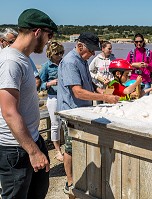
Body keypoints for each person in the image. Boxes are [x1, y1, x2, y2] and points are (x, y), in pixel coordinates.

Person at [0, 8, 57, 199]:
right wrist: (33, 151)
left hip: (31, 139)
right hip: (15, 148)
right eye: (49, 35)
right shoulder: (10, 62)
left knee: (37, 192)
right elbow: (9, 112)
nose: (49, 40)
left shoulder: (23, 58)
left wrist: (36, 144)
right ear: (37, 32)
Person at [57, 32, 119, 195]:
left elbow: (88, 82)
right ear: (79, 46)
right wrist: (104, 97)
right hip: (70, 112)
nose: (93, 54)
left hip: (82, 111)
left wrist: (100, 91)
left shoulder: (82, 60)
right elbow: (77, 92)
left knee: (80, 146)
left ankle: (82, 176)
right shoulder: (70, 62)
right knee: (70, 148)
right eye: (91, 51)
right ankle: (70, 182)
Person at [40, 41, 65, 162]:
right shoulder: (46, 66)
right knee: (55, 125)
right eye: (57, 53)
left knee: (66, 124)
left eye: (62, 52)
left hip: (65, 97)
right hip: (53, 98)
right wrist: (50, 83)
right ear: (51, 53)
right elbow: (39, 85)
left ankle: (69, 148)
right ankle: (58, 151)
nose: (60, 55)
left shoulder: (64, 63)